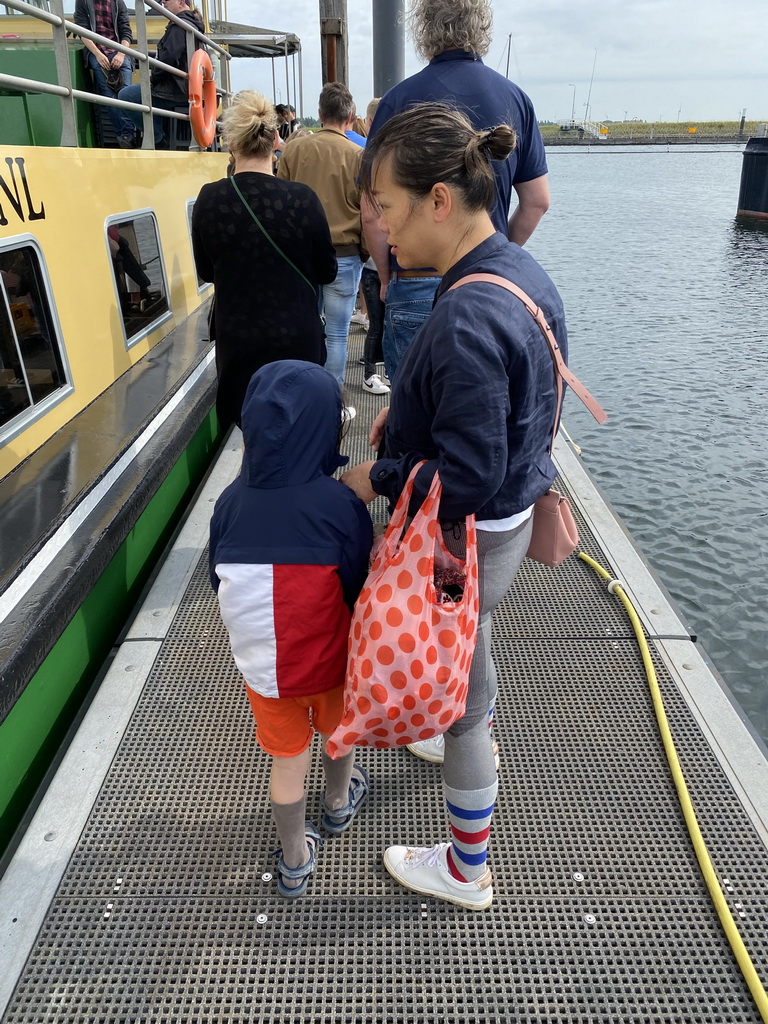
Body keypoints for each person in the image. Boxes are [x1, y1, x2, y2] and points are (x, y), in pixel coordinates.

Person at [340, 104, 567, 911]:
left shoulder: (467, 315)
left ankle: (467, 870)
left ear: (440, 200)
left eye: (390, 210)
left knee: (467, 714)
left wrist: (382, 473)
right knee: (475, 653)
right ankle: (461, 709)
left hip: (469, 539)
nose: (382, 232)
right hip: (506, 524)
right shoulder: (516, 269)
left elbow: (467, 475)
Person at [210, 360, 373, 898]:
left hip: (264, 671)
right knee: (339, 733)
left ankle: (295, 860)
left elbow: (219, 579)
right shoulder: (340, 505)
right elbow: (357, 584)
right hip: (330, 662)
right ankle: (337, 804)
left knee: (287, 760)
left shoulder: (228, 505)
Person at [362, 0, 550, 383]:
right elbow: (537, 201)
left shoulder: (397, 100)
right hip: (488, 284)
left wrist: (385, 277)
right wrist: (496, 256)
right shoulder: (516, 100)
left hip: (413, 278)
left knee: (411, 417)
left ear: (423, 28)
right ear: (481, 27)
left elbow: (370, 208)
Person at [191, 91, 338, 429]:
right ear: (275, 139)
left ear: (231, 143)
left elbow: (207, 271)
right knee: (299, 432)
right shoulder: (303, 199)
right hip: (297, 340)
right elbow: (327, 271)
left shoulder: (209, 200)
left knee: (251, 434)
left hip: (239, 343)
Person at [277, 83, 364, 403]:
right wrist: (364, 251)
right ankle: (333, 401)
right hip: (345, 254)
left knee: (304, 329)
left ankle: (302, 396)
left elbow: (281, 203)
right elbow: (367, 211)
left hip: (301, 257)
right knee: (338, 333)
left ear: (319, 114)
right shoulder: (359, 156)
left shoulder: (294, 151)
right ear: (350, 116)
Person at [118, 0, 205, 148]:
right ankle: (157, 135)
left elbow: (168, 60)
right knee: (147, 95)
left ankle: (157, 139)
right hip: (188, 87)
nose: (163, 1)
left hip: (175, 89)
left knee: (126, 96)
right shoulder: (193, 25)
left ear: (181, 2)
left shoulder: (179, 26)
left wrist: (153, 79)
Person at [73, 0, 136, 148]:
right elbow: (82, 30)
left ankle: (126, 135)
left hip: (119, 51)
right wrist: (97, 54)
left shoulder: (118, 2)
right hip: (97, 52)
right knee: (110, 96)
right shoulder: (83, 2)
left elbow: (126, 32)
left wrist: (121, 54)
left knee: (125, 94)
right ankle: (127, 136)